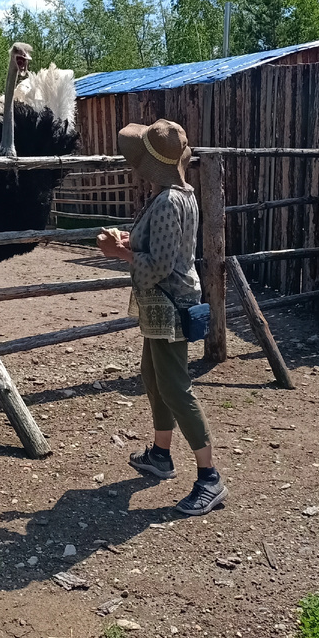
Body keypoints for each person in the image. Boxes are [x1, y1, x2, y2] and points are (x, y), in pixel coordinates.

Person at [96, 118, 227, 517]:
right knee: (154, 378)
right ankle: (160, 455)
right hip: (162, 303)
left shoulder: (169, 200)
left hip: (170, 303)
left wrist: (119, 254)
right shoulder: (178, 194)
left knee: (174, 387)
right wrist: (128, 241)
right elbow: (161, 248)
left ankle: (210, 478)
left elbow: (161, 265)